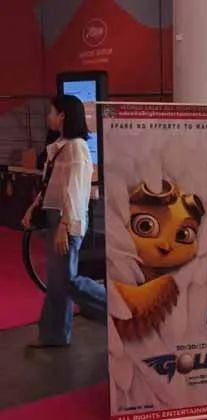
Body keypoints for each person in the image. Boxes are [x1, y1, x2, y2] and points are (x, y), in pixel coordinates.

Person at [22, 95, 106, 347]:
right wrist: (33, 208)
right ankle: (54, 335)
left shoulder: (76, 147)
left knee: (66, 280)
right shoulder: (62, 145)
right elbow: (52, 186)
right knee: (58, 282)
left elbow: (75, 191)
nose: (48, 116)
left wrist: (65, 225)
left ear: (63, 116)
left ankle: (116, 307)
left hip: (67, 219)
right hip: (56, 216)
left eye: (51, 111)